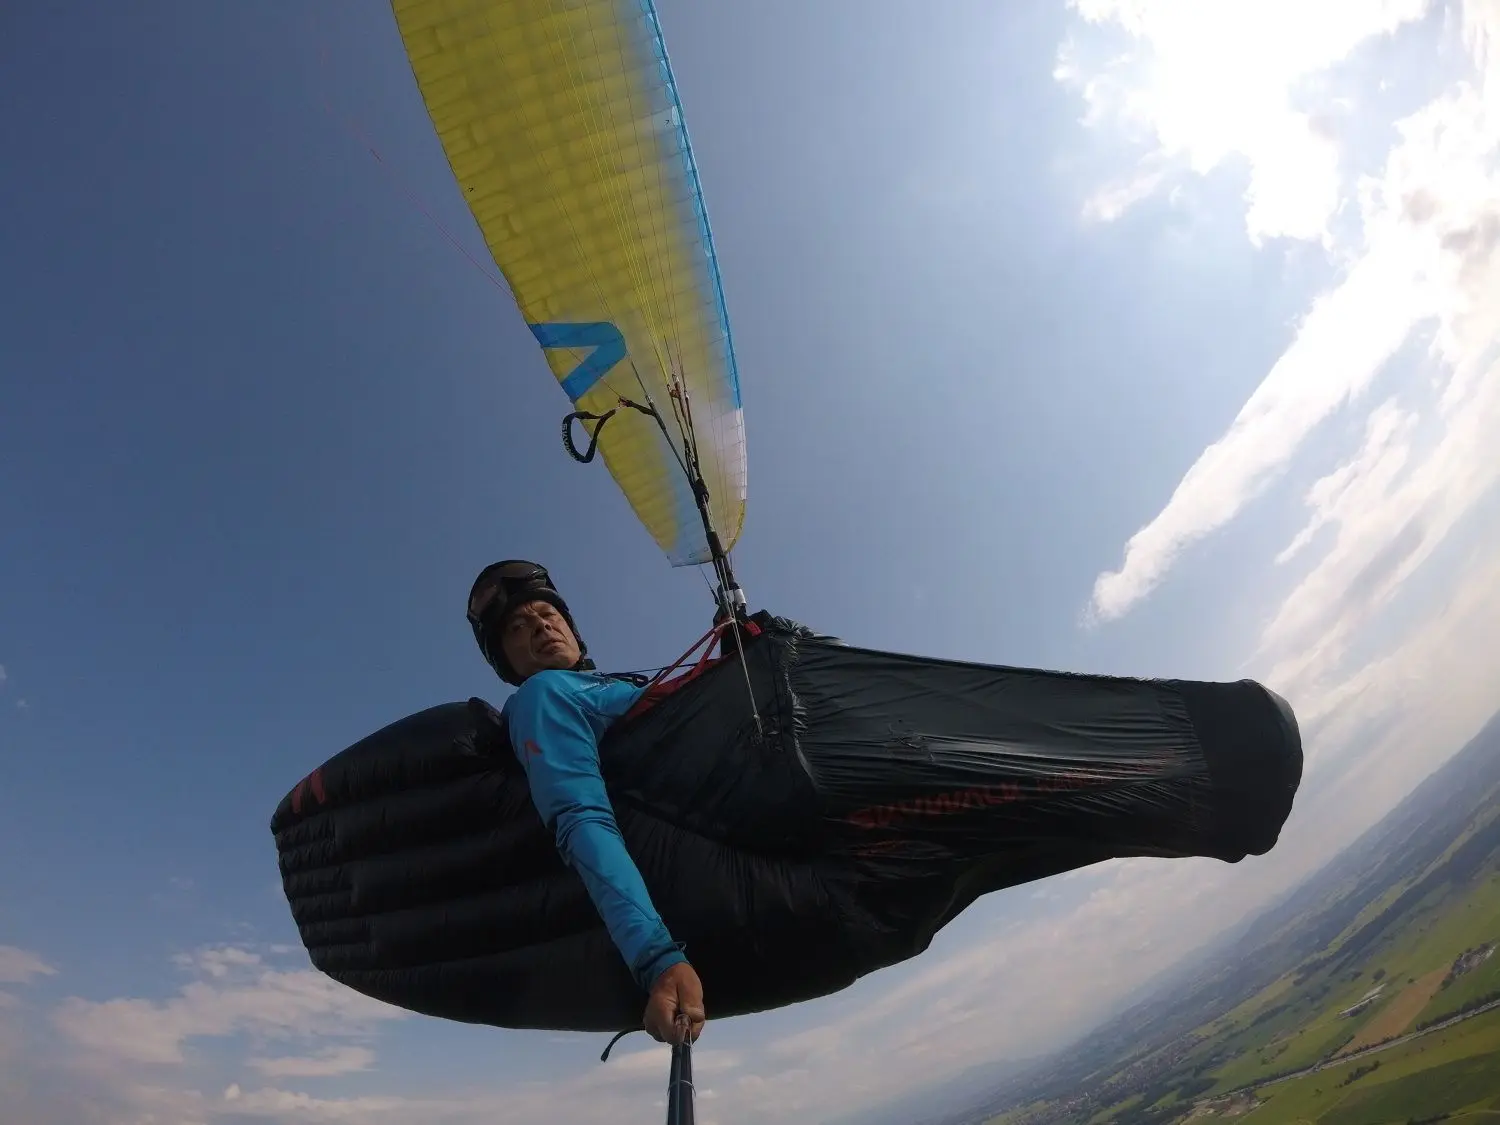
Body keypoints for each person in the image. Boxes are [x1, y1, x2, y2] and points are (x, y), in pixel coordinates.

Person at [466, 559, 707, 1047]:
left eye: (547, 614)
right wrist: (657, 958)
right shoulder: (544, 697)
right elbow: (581, 819)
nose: (540, 625)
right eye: (517, 625)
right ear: (505, 661)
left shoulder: (613, 687)